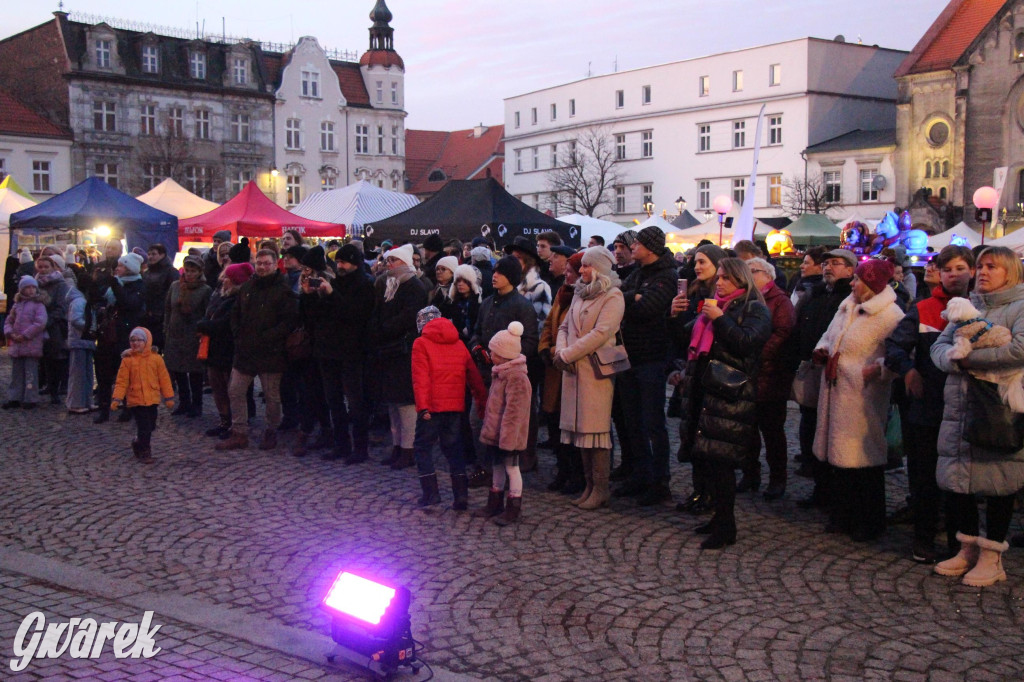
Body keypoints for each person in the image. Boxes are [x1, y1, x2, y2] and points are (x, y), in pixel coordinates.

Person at [931, 247, 1024, 586]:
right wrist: (954, 359)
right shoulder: (969, 305)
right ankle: (966, 547)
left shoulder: (1020, 307)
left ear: (1010, 272)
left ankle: (992, 555)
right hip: (959, 407)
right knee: (960, 480)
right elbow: (938, 347)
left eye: (992, 266)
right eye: (981, 265)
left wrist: (971, 360)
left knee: (999, 480)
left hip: (999, 408)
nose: (982, 272)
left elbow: (1019, 350)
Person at [672, 258, 772, 549]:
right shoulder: (716, 305)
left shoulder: (753, 308)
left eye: (726, 278)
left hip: (730, 394)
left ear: (741, 280)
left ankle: (727, 527)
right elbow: (686, 339)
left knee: (722, 462)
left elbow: (747, 342)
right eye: (719, 278)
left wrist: (719, 318)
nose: (720, 283)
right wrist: (676, 316)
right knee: (707, 459)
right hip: (705, 390)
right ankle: (718, 518)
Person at [884, 245, 975, 563]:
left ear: (972, 271)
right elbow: (895, 346)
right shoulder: (922, 308)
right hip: (927, 408)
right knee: (924, 477)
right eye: (947, 269)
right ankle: (923, 538)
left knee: (960, 481)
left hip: (968, 408)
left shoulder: (981, 309)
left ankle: (958, 543)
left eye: (960, 268)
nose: (953, 274)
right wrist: (907, 371)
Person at [812, 258, 904, 542]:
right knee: (839, 458)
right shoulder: (847, 305)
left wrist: (876, 370)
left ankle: (870, 520)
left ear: (872, 284)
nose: (852, 284)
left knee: (864, 458)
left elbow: (896, 356)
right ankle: (842, 514)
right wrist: (822, 349)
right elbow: (829, 335)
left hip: (863, 396)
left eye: (858, 281)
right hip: (835, 389)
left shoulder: (891, 316)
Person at [554, 246, 625, 510]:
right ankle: (588, 485)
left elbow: (602, 332)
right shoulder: (580, 294)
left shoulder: (613, 296)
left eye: (587, 265)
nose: (581, 270)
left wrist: (568, 354)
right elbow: (564, 326)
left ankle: (601, 488)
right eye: (581, 265)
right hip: (573, 369)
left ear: (600, 268)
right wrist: (562, 352)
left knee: (595, 431)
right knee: (579, 429)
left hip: (596, 371)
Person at [614, 225, 677, 506]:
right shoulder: (639, 274)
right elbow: (615, 299)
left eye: (637, 243)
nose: (632, 247)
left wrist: (632, 300)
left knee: (652, 422)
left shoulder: (666, 276)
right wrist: (631, 297)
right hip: (630, 357)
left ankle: (659, 480)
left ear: (650, 248)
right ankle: (640, 474)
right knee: (632, 421)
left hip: (652, 358)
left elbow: (646, 309)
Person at [216, 249, 299, 451]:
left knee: (271, 396)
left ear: (274, 264)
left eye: (266, 263)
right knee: (235, 390)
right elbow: (235, 314)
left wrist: (269, 337)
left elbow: (289, 321)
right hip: (245, 350)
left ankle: (271, 431)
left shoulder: (283, 289)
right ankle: (239, 432)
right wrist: (238, 334)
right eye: (259, 263)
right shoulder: (248, 287)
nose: (262, 267)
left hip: (271, 352)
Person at [792, 248, 856, 504]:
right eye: (827, 263)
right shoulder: (817, 293)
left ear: (851, 270)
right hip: (812, 367)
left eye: (836, 263)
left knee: (830, 430)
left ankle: (831, 490)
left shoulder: (850, 298)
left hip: (836, 376)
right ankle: (818, 483)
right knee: (810, 424)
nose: (828, 267)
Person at [411, 306, 487, 509]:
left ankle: (431, 494)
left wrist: (422, 408)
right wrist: (482, 401)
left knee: (422, 448)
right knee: (454, 450)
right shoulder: (459, 344)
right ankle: (461, 496)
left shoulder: (421, 343)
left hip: (432, 408)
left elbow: (420, 379)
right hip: (454, 407)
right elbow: (474, 377)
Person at [670, 243, 727, 515]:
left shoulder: (724, 298)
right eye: (696, 262)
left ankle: (712, 495)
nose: (697, 267)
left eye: (703, 262)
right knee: (692, 432)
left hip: (713, 375)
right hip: (693, 372)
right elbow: (683, 337)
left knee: (709, 439)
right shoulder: (694, 294)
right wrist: (674, 316)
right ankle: (699, 491)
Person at [740, 257, 796, 499]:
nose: (749, 274)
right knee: (747, 430)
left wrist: (759, 354)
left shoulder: (780, 301)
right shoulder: (746, 298)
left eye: (754, 271)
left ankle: (777, 478)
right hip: (748, 373)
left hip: (771, 375)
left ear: (768, 275)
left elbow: (784, 332)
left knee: (772, 431)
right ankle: (750, 474)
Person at [371, 243, 430, 469]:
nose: (389, 265)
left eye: (393, 261)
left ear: (404, 262)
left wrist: (385, 328)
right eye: (387, 261)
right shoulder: (387, 285)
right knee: (393, 403)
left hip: (403, 351)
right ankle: (397, 445)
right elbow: (378, 310)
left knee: (405, 404)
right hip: (388, 349)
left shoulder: (414, 286)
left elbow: (409, 317)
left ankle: (408, 448)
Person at [475, 321, 532, 525]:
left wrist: (507, 439)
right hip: (497, 433)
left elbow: (514, 412)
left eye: (493, 352)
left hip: (509, 436)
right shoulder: (501, 372)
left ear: (504, 354)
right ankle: (495, 502)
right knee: (497, 465)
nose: (490, 355)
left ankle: (513, 506)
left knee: (511, 468)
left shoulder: (516, 377)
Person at [540, 251, 583, 492]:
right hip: (554, 368)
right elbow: (549, 323)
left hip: (570, 367)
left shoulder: (583, 297)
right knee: (555, 422)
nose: (566, 275)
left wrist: (558, 348)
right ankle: (562, 470)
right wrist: (545, 346)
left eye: (570, 271)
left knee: (570, 426)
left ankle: (576, 474)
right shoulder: (561, 293)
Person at [291, 246, 338, 458]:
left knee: (314, 393)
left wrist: (312, 295)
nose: (305, 272)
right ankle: (325, 430)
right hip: (308, 348)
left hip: (323, 347)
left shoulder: (327, 285)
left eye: (308, 268)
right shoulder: (304, 287)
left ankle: (306, 432)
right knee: (313, 392)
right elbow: (302, 316)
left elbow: (321, 317)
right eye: (303, 268)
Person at [197, 262, 251, 439]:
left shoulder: (238, 299)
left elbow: (223, 325)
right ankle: (224, 421)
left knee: (230, 390)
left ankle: (234, 423)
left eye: (227, 278)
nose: (224, 280)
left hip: (228, 351)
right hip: (214, 350)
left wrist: (202, 325)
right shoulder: (221, 296)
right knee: (217, 387)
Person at [110, 327, 175, 460]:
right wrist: (117, 398)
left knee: (151, 425)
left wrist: (168, 397)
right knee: (144, 426)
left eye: (139, 340)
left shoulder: (156, 359)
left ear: (146, 341)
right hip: (136, 400)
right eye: (133, 340)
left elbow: (164, 379)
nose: (136, 343)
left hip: (152, 399)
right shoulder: (127, 360)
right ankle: (145, 451)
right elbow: (121, 382)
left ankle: (138, 442)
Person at [163, 255, 212, 418]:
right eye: (188, 270)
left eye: (193, 271)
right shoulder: (175, 286)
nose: (190, 274)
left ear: (199, 272)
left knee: (195, 373)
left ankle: (196, 404)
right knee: (178, 371)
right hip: (175, 335)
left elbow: (207, 313)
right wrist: (167, 329)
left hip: (193, 336)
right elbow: (168, 309)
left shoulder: (205, 290)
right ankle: (184, 402)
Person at [3, 276, 48, 409]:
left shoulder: (38, 305)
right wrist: (10, 333)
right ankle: (14, 397)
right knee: (16, 373)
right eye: (28, 287)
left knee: (30, 373)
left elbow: (40, 323)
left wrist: (25, 335)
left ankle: (30, 398)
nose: (31, 290)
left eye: (33, 287)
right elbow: (9, 320)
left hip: (31, 343)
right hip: (17, 343)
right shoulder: (17, 305)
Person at [65, 269, 97, 414]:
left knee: (87, 373)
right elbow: (76, 320)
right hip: (80, 339)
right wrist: (90, 328)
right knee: (78, 374)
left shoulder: (83, 301)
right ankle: (75, 403)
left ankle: (86, 400)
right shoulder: (79, 302)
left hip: (85, 340)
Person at [141, 243, 179, 350]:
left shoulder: (171, 272)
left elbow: (173, 293)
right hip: (148, 315)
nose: (151, 257)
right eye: (149, 254)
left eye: (154, 254)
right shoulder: (147, 273)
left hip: (162, 314)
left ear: (162, 255)